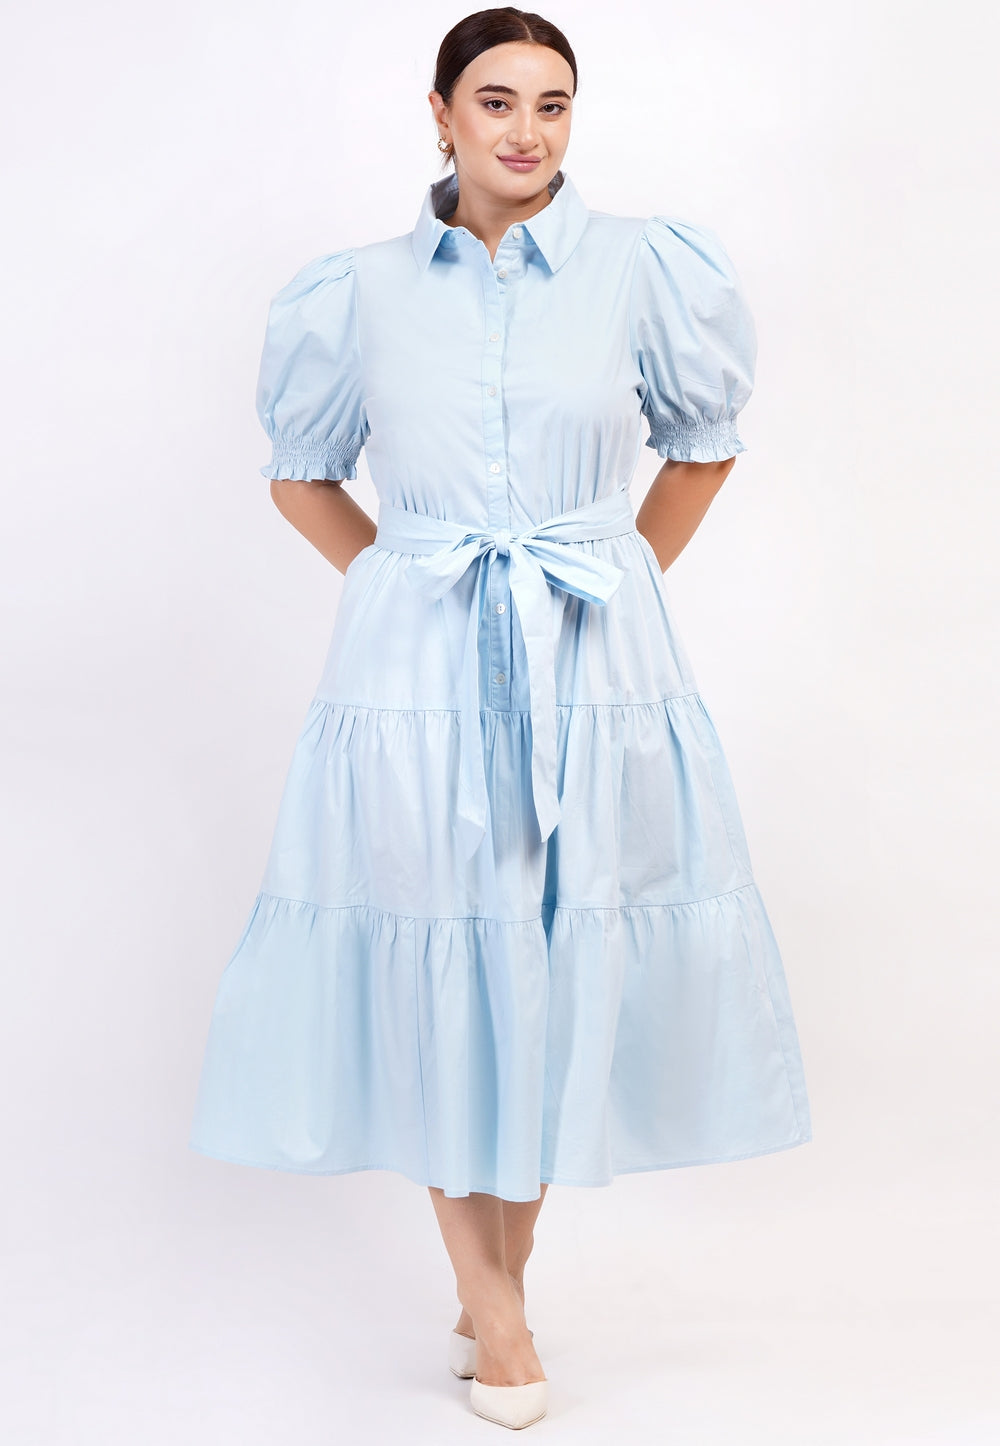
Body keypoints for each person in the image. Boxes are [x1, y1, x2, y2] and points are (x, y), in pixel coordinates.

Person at [188, 6, 812, 1431]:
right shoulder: (356, 292)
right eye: (496, 100)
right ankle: (506, 1316)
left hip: (592, 666)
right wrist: (404, 588)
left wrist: (617, 584)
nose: (527, 130)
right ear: (440, 114)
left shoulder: (643, 267)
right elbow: (300, 474)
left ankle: (490, 1290)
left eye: (553, 103)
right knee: (445, 965)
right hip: (411, 686)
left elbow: (701, 449)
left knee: (547, 967)